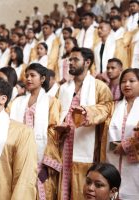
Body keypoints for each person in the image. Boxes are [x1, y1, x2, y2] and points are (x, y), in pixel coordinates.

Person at [55, 47, 112, 200]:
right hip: (64, 144)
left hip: (86, 146)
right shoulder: (62, 89)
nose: (70, 63)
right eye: (69, 60)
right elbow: (54, 111)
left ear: (87, 62)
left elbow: (107, 108)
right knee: (64, 187)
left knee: (83, 188)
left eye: (75, 60)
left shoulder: (99, 87)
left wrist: (87, 112)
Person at [73, 68, 139, 199]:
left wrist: (126, 145)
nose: (126, 85)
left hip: (134, 165)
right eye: (123, 81)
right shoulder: (113, 106)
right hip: (111, 160)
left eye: (132, 81)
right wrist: (86, 111)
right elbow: (99, 110)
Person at [10, 63, 61, 200]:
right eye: (26, 76)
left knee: (42, 190)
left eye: (33, 75)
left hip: (40, 155)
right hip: (20, 153)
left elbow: (53, 132)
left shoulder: (51, 101)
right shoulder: (17, 102)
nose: (28, 79)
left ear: (43, 79)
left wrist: (46, 162)